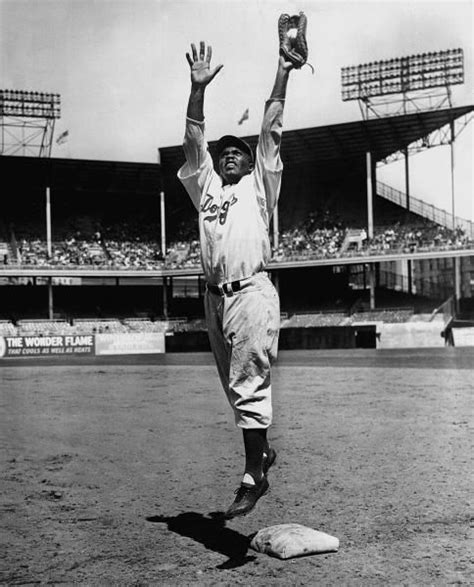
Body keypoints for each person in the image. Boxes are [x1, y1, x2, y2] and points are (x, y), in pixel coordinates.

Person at [178, 40, 294, 519]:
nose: (229, 155)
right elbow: (193, 142)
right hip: (214, 300)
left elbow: (270, 131)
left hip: (250, 291)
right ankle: (261, 454)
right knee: (236, 388)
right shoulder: (205, 187)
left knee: (248, 384)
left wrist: (282, 71)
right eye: (224, 151)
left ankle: (253, 477)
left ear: (250, 163)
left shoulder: (259, 184)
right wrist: (196, 90)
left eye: (238, 152)